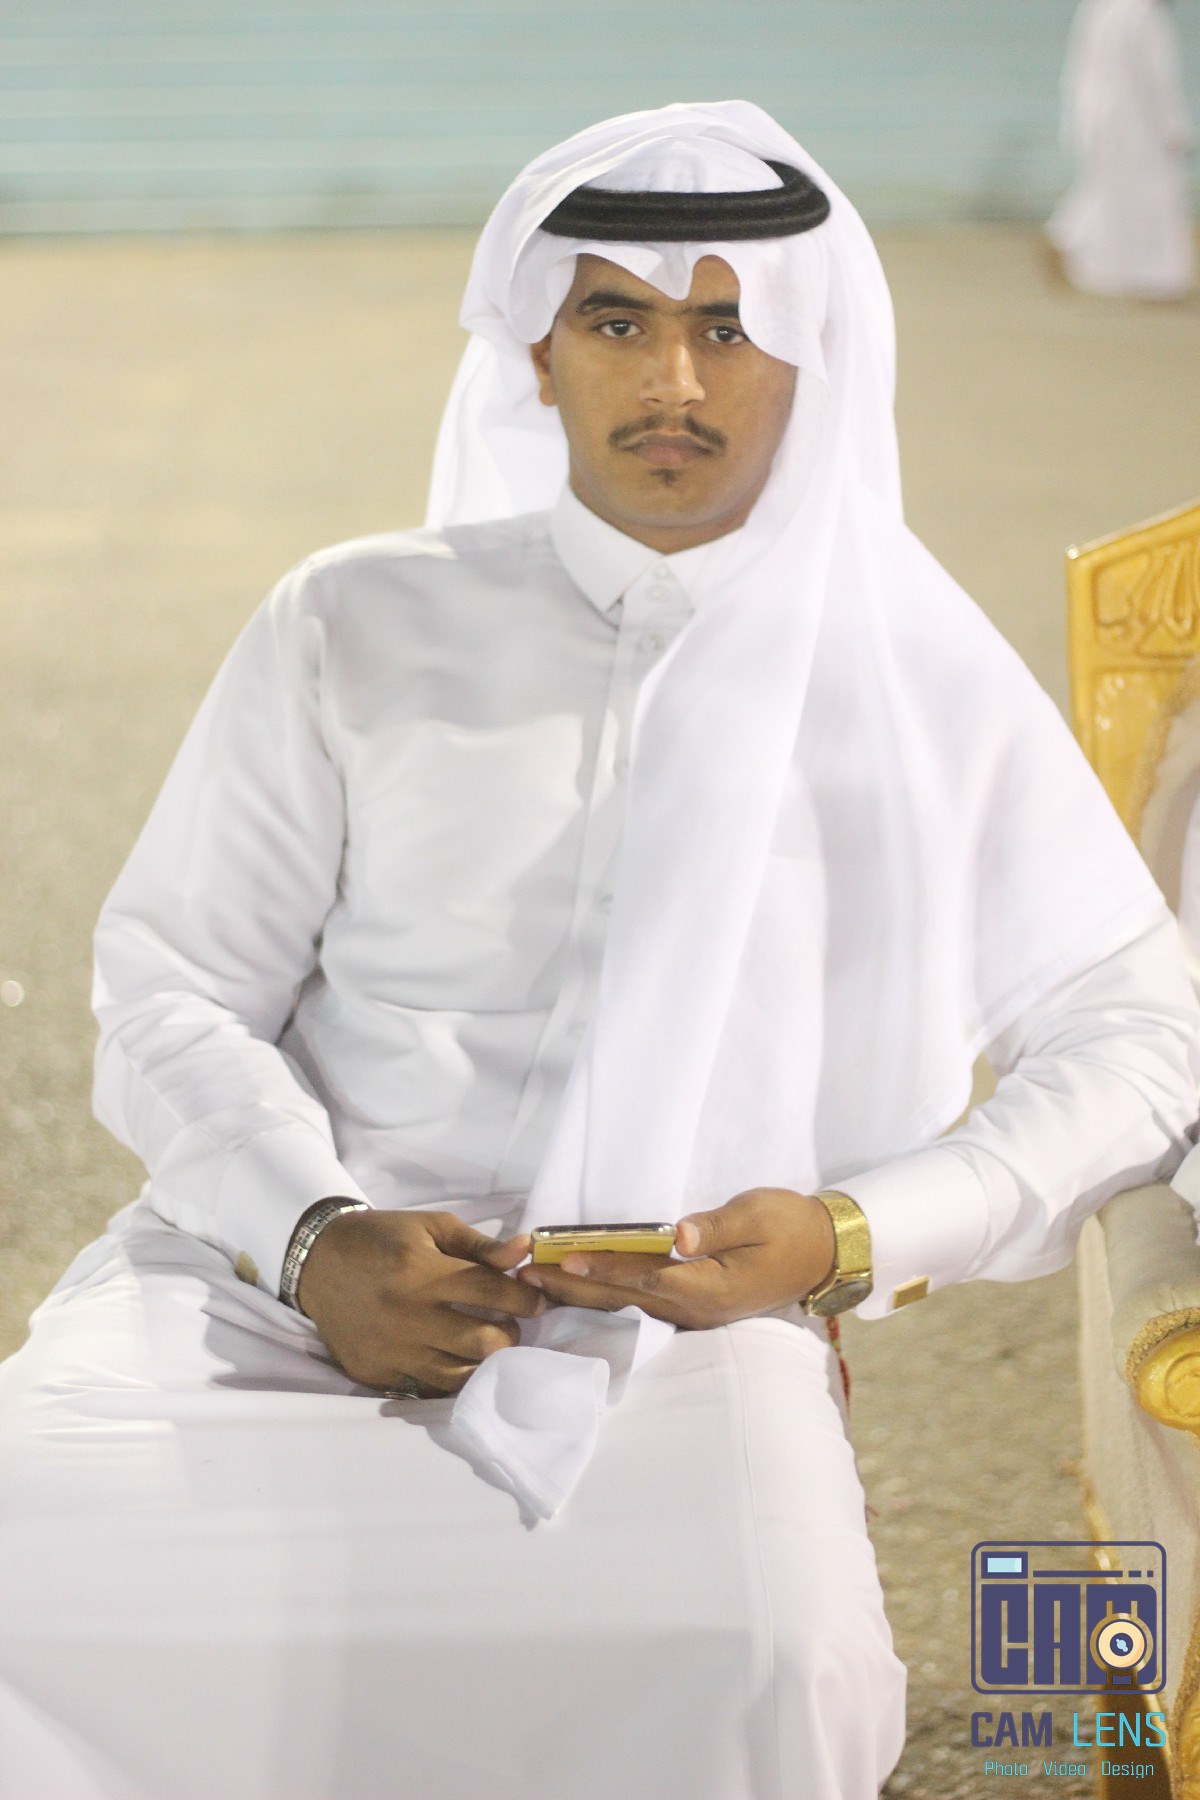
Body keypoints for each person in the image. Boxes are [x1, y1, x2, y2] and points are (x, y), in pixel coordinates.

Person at [1, 99, 1199, 1800]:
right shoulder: (354, 619)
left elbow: (1141, 1038)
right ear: (537, 354)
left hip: (676, 1345)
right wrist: (311, 1237)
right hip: (256, 1299)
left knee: (768, 1662)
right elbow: (171, 985)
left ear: (813, 357)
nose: (675, 384)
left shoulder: (916, 677)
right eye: (619, 323)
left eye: (730, 328)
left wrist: (850, 1234)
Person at [1047, 0, 1196, 299]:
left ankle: (1078, 244)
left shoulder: (1101, 8)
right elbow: (1158, 80)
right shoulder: (1146, 17)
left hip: (1099, 118)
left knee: (1109, 189)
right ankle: (1156, 278)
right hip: (1137, 124)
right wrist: (1175, 128)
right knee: (1152, 196)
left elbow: (1079, 67)